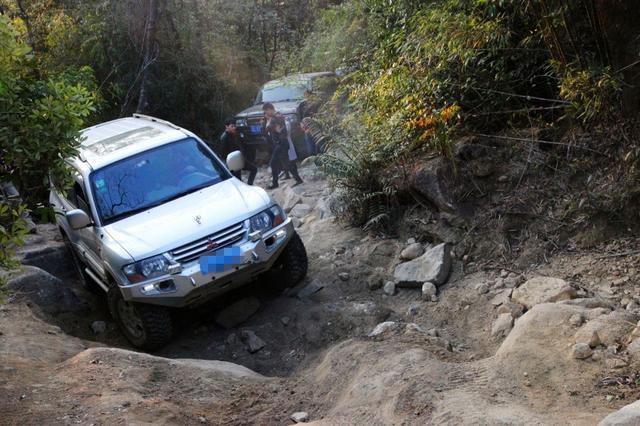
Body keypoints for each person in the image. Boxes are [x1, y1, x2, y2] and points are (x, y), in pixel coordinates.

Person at [262, 103, 302, 189]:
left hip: (281, 143)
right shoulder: (277, 116)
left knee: (274, 163)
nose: (266, 114)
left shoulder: (276, 117)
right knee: (287, 163)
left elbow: (268, 127)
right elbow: (273, 128)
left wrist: (269, 124)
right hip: (281, 143)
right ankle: (298, 179)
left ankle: (275, 183)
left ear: (269, 109)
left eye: (266, 111)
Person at [219, 118, 257, 185]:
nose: (234, 128)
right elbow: (222, 154)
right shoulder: (224, 138)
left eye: (235, 126)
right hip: (233, 162)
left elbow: (242, 145)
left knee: (254, 169)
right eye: (232, 126)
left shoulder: (235, 134)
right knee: (238, 181)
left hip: (240, 159)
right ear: (227, 126)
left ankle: (249, 185)